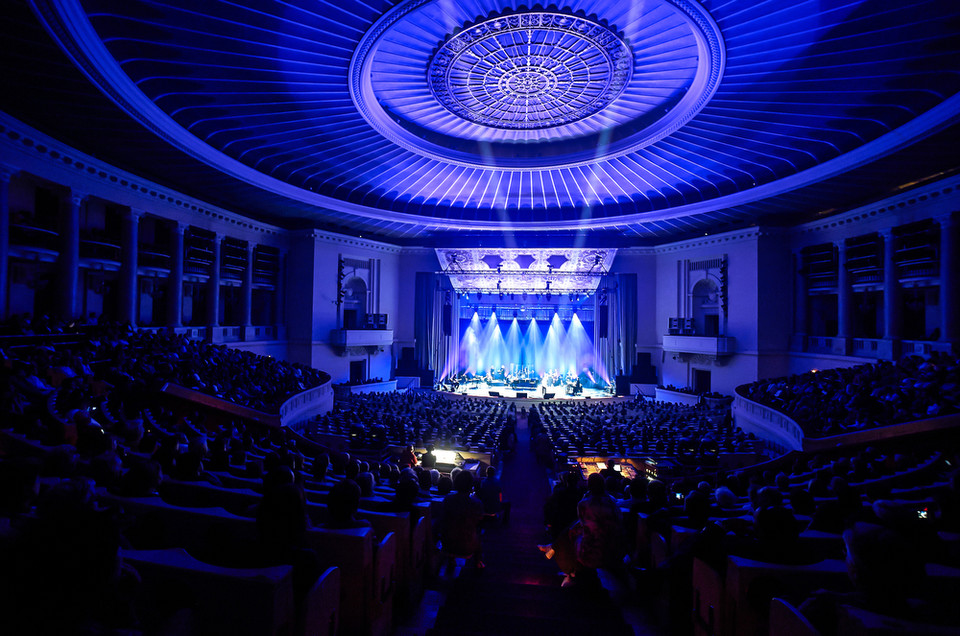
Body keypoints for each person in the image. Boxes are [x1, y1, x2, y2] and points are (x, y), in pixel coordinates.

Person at [439, 470, 484, 568]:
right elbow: (479, 521)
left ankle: (451, 561)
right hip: (467, 545)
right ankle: (478, 562)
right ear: (471, 486)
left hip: (447, 544)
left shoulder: (448, 500)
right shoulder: (476, 503)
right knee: (479, 532)